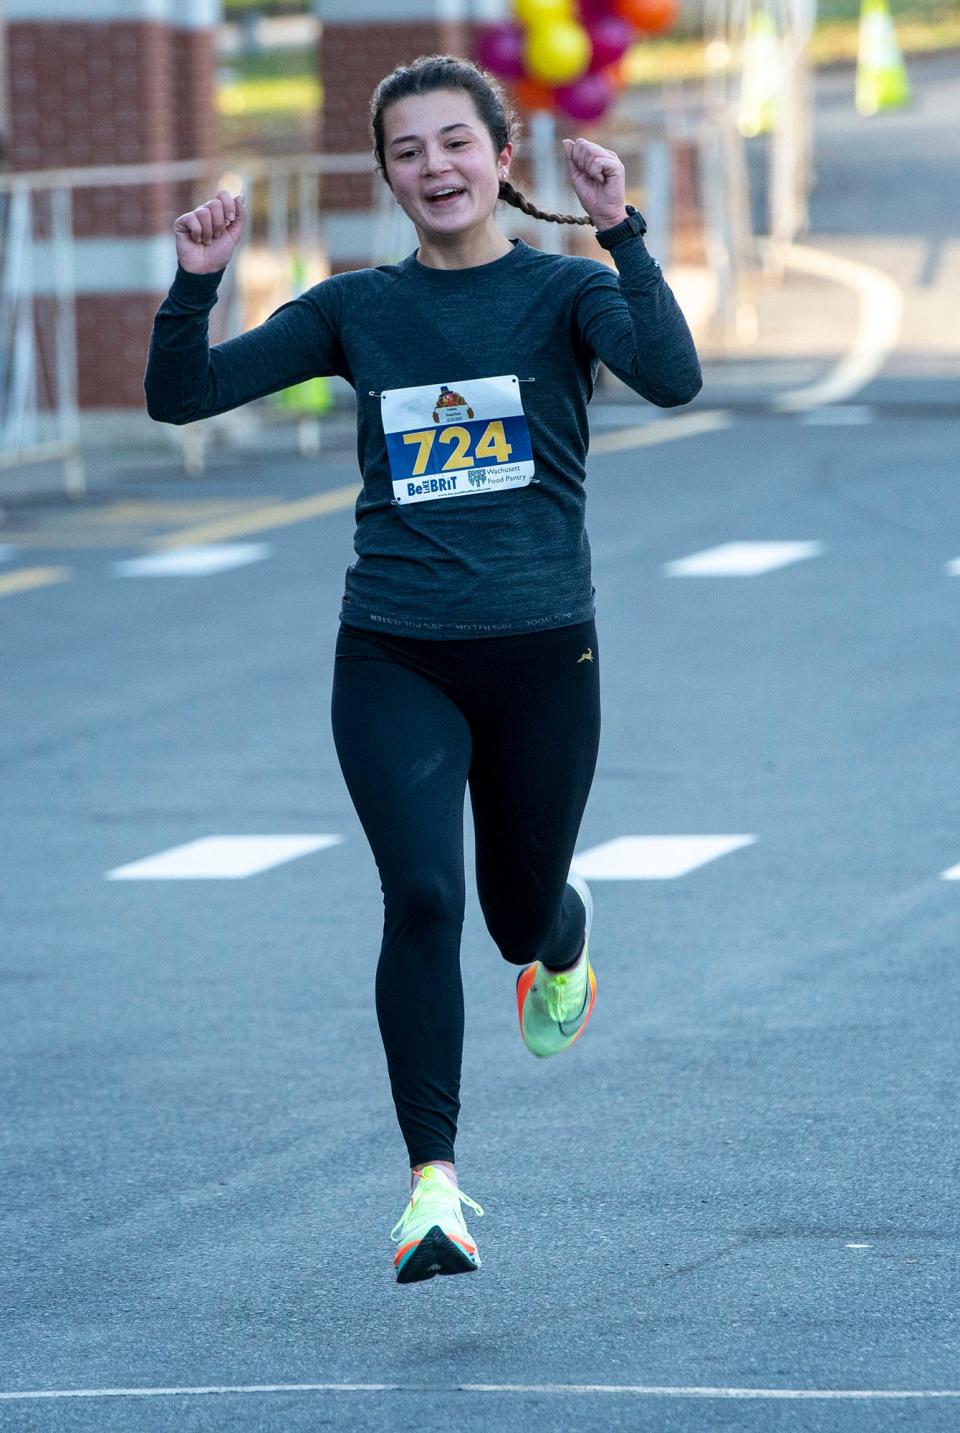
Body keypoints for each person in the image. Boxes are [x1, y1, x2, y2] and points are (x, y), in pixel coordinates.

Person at [144, 53, 702, 1286]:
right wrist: (196, 285)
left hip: (544, 651)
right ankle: (432, 1191)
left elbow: (674, 376)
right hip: (394, 650)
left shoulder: (563, 292)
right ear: (388, 176)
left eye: (457, 143)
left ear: (502, 159)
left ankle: (565, 934)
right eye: (408, 151)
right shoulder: (360, 309)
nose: (435, 167)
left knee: (513, 913)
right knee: (424, 898)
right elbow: (183, 398)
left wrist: (623, 234)